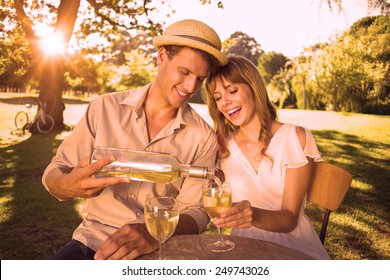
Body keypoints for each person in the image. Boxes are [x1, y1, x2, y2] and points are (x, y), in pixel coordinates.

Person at [42, 19, 228, 260]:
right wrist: (67, 184)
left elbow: (197, 212)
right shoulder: (104, 108)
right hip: (94, 242)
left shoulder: (203, 137)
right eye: (184, 72)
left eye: (200, 79)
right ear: (162, 57)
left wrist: (154, 231)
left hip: (160, 249)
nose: (191, 86)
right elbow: (56, 169)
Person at [204, 55, 330, 259]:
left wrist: (252, 215)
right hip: (243, 249)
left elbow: (289, 219)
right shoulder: (222, 148)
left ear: (254, 87)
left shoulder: (294, 137)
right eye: (217, 97)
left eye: (232, 90)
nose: (225, 102)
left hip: (293, 248)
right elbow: (207, 198)